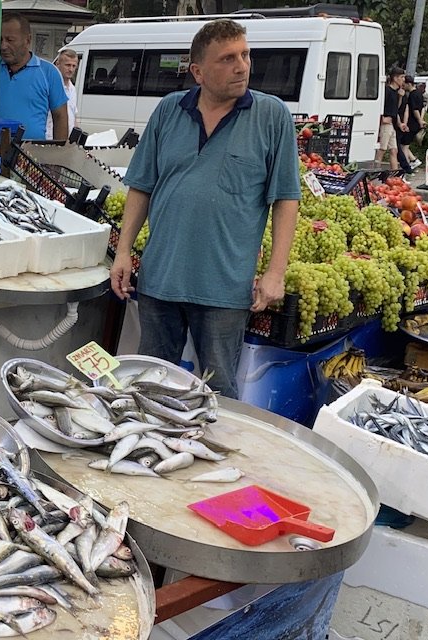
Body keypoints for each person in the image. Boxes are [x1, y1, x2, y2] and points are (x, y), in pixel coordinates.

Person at [109, 19, 300, 399]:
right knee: (150, 387)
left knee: (219, 393)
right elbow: (141, 186)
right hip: (161, 281)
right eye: (228, 59)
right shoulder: (168, 111)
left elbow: (285, 200)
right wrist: (124, 251)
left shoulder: (272, 116)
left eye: (245, 55)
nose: (242, 66)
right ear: (198, 72)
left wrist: (275, 272)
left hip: (224, 290)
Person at [0, 13, 68, 140]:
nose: (3, 46)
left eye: (10, 40)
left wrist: (59, 150)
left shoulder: (48, 72)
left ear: (28, 40)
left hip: (32, 150)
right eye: (0, 40)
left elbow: (60, 117)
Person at [377, 66, 412, 173]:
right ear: (395, 78)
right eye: (402, 77)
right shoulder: (387, 90)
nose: (403, 80)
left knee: (394, 150)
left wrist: (399, 123)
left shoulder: (397, 92)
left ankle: (395, 174)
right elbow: (380, 105)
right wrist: (382, 118)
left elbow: (396, 109)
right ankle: (375, 171)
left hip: (392, 123)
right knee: (382, 149)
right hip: (386, 123)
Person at [47, 49, 78, 140]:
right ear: (58, 64)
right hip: (50, 139)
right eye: (67, 65)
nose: (71, 69)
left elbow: (73, 115)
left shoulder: (73, 89)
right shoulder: (49, 87)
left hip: (67, 141)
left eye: (73, 66)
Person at [399, 78, 425, 170]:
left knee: (404, 146)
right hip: (416, 124)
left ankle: (407, 167)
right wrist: (421, 119)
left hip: (411, 124)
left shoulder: (412, 95)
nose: (403, 86)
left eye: (404, 84)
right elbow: (422, 108)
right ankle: (413, 160)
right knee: (404, 145)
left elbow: (415, 110)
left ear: (409, 84)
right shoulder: (419, 93)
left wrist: (419, 120)